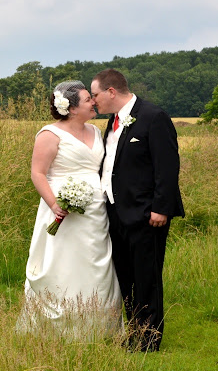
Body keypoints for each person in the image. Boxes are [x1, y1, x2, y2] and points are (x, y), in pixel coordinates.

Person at [17, 81, 122, 339]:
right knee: (63, 262)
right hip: (60, 209)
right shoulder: (49, 135)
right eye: (88, 99)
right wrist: (55, 204)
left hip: (95, 210)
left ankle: (98, 326)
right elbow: (38, 173)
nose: (94, 102)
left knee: (95, 261)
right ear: (72, 108)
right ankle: (58, 327)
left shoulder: (96, 133)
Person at [90, 69, 184, 352]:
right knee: (126, 278)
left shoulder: (154, 117)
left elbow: (167, 167)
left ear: (111, 91)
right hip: (116, 213)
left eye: (95, 95)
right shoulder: (113, 122)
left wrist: (160, 208)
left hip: (146, 215)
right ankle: (134, 331)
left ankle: (149, 341)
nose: (93, 102)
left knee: (147, 278)